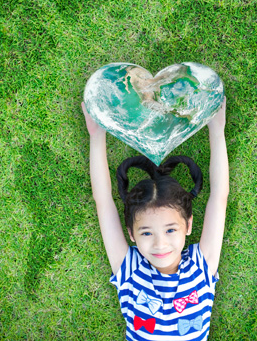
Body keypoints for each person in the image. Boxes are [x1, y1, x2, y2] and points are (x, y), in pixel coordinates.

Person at [81, 97, 228, 340]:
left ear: (188, 225)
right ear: (131, 234)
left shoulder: (202, 267)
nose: (160, 244)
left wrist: (216, 129)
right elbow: (103, 202)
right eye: (147, 233)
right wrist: (96, 136)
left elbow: (219, 199)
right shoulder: (129, 270)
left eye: (170, 230)